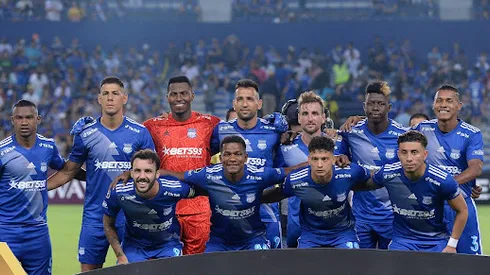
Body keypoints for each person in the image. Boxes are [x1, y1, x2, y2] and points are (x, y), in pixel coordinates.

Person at [47, 76, 156, 272]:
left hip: (130, 215)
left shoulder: (140, 133)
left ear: (125, 98)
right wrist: (37, 186)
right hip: (94, 216)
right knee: (89, 271)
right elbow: (69, 171)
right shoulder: (86, 134)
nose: (110, 98)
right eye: (105, 93)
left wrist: (131, 175)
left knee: (130, 270)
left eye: (115, 93)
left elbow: (152, 173)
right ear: (99, 99)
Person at [160, 136, 300, 252]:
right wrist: (152, 175)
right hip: (219, 243)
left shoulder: (259, 174)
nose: (232, 158)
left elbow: (290, 171)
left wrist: (314, 166)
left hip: (252, 240)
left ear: (245, 157)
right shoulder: (208, 175)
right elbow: (177, 175)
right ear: (221, 158)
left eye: (237, 154)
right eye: (227, 154)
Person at [142, 76, 221, 255]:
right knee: (166, 265)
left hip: (200, 210)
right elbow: (129, 139)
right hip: (165, 209)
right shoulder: (152, 127)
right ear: (167, 97)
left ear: (192, 95)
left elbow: (239, 131)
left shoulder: (210, 123)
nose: (179, 98)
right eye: (174, 94)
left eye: (184, 93)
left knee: (197, 265)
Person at [210, 79, 287, 249]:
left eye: (250, 99)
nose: (245, 104)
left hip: (266, 212)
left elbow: (281, 170)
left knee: (272, 264)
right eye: (240, 99)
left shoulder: (274, 131)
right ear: (234, 103)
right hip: (230, 212)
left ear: (259, 104)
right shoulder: (221, 131)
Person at [412, 85, 484, 254]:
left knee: (471, 262)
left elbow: (476, 168)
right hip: (429, 207)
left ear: (459, 105)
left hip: (460, 205)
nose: (443, 105)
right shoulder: (422, 129)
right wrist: (359, 120)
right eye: (439, 100)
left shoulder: (472, 134)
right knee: (430, 262)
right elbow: (394, 137)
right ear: (433, 105)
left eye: (449, 101)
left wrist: (446, 184)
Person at [264, 136, 370, 249]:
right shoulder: (296, 180)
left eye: (324, 159)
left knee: (350, 262)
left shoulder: (350, 172)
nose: (319, 165)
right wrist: (256, 198)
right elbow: (278, 193)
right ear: (309, 159)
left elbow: (373, 179)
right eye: (315, 159)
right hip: (311, 235)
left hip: (343, 233)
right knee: (306, 266)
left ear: (333, 159)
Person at [372, 131, 468, 252]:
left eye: (414, 152)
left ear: (425, 154)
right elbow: (363, 184)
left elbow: (462, 210)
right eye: (404, 152)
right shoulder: (388, 173)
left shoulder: (442, 180)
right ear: (398, 154)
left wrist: (452, 245)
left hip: (435, 241)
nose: (409, 158)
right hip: (403, 241)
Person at [0, 100, 67, 275]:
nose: (24, 122)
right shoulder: (2, 151)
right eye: (19, 118)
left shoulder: (48, 147)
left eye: (29, 117)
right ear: (12, 120)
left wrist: (92, 175)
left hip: (38, 233)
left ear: (38, 119)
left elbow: (66, 169)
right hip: (6, 233)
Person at [337, 81, 406, 249]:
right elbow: (336, 156)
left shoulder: (402, 136)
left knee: (390, 267)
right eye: (371, 103)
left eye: (381, 104)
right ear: (364, 106)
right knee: (360, 266)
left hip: (392, 215)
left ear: (389, 107)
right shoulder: (351, 132)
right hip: (360, 216)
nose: (375, 108)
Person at [275, 92, 345, 247]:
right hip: (297, 231)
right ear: (299, 117)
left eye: (315, 113)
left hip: (336, 232)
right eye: (305, 113)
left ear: (323, 117)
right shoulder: (284, 147)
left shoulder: (340, 144)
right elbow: (277, 180)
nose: (310, 118)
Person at [103, 150, 198, 264]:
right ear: (131, 173)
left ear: (157, 174)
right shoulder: (119, 191)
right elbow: (107, 224)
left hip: (167, 245)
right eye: (137, 171)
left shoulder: (174, 188)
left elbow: (202, 190)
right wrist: (120, 255)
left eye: (148, 171)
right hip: (134, 247)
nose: (142, 176)